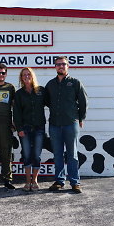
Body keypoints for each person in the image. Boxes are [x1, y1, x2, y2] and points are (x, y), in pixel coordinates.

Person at [45, 56, 88, 193]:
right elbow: (46, 101)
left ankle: (75, 182)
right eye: (58, 64)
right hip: (55, 125)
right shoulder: (50, 84)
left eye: (63, 64)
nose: (61, 66)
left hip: (71, 123)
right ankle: (59, 181)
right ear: (55, 67)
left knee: (72, 154)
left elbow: (83, 102)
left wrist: (81, 118)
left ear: (68, 66)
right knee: (57, 154)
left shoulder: (75, 83)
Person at [13, 67, 46, 192]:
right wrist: (19, 129)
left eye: (28, 74)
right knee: (26, 155)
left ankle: (35, 180)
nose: (26, 76)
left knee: (36, 155)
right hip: (24, 129)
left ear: (32, 76)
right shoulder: (19, 93)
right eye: (24, 75)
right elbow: (16, 113)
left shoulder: (41, 91)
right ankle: (27, 181)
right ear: (21, 78)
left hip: (39, 128)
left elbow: (52, 103)